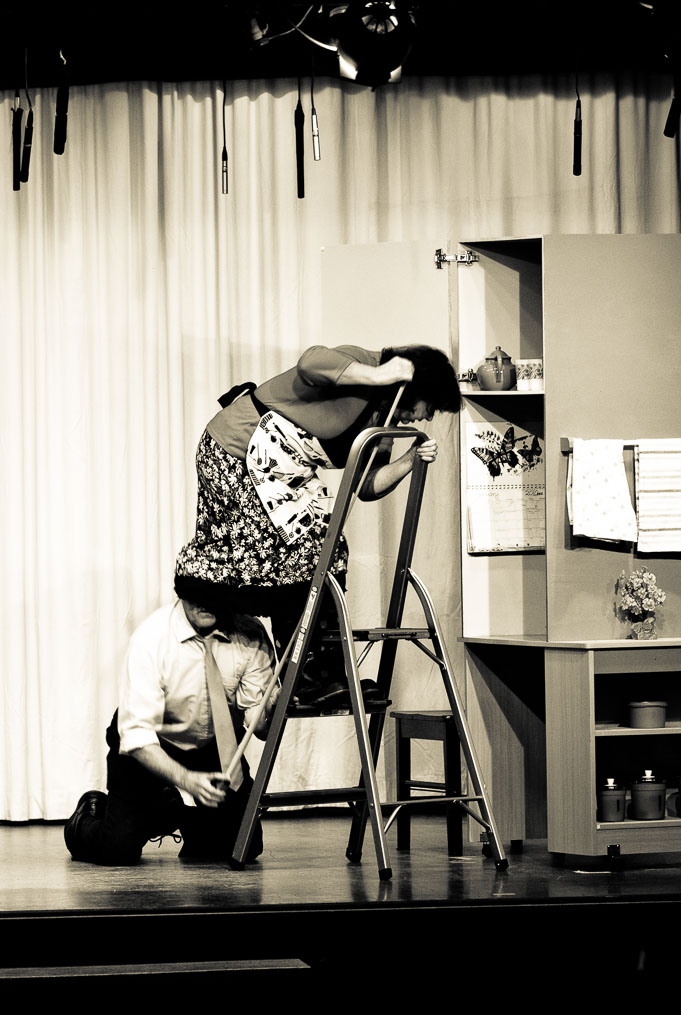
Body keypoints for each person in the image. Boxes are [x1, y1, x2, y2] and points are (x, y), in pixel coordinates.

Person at [174, 343, 461, 706]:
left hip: (285, 472)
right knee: (288, 548)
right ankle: (300, 674)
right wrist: (379, 375)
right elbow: (310, 362)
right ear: (419, 386)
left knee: (329, 548)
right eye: (430, 405)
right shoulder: (364, 364)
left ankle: (325, 673)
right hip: (237, 451)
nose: (425, 416)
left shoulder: (384, 421)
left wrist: (409, 461)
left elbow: (366, 485)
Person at [64, 584, 277, 866]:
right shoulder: (152, 637)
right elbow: (137, 737)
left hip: (210, 746)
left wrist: (272, 709)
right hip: (150, 745)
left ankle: (178, 813)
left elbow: (258, 727)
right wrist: (187, 780)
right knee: (118, 849)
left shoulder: (249, 635)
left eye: (212, 592)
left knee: (243, 845)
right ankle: (86, 818)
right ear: (181, 590)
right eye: (196, 591)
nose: (205, 602)